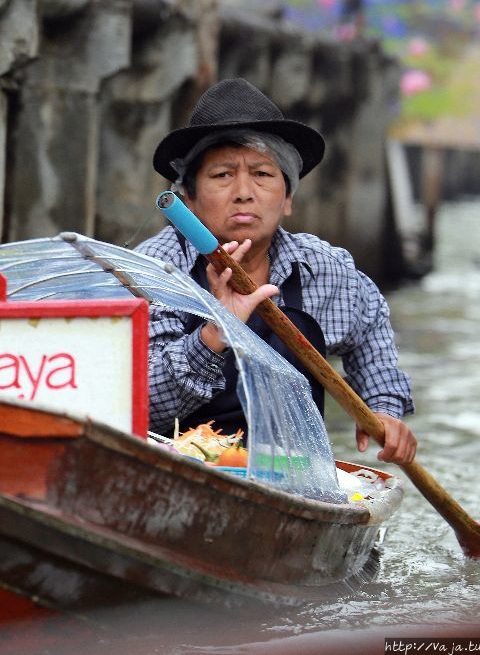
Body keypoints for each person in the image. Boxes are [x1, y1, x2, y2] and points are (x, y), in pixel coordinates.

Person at [136, 78, 418, 465]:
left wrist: (383, 406)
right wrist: (216, 332)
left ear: (287, 198)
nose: (243, 192)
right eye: (222, 175)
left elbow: (370, 328)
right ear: (189, 199)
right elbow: (144, 404)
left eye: (262, 174)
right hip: (178, 467)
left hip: (295, 472)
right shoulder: (153, 272)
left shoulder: (324, 269)